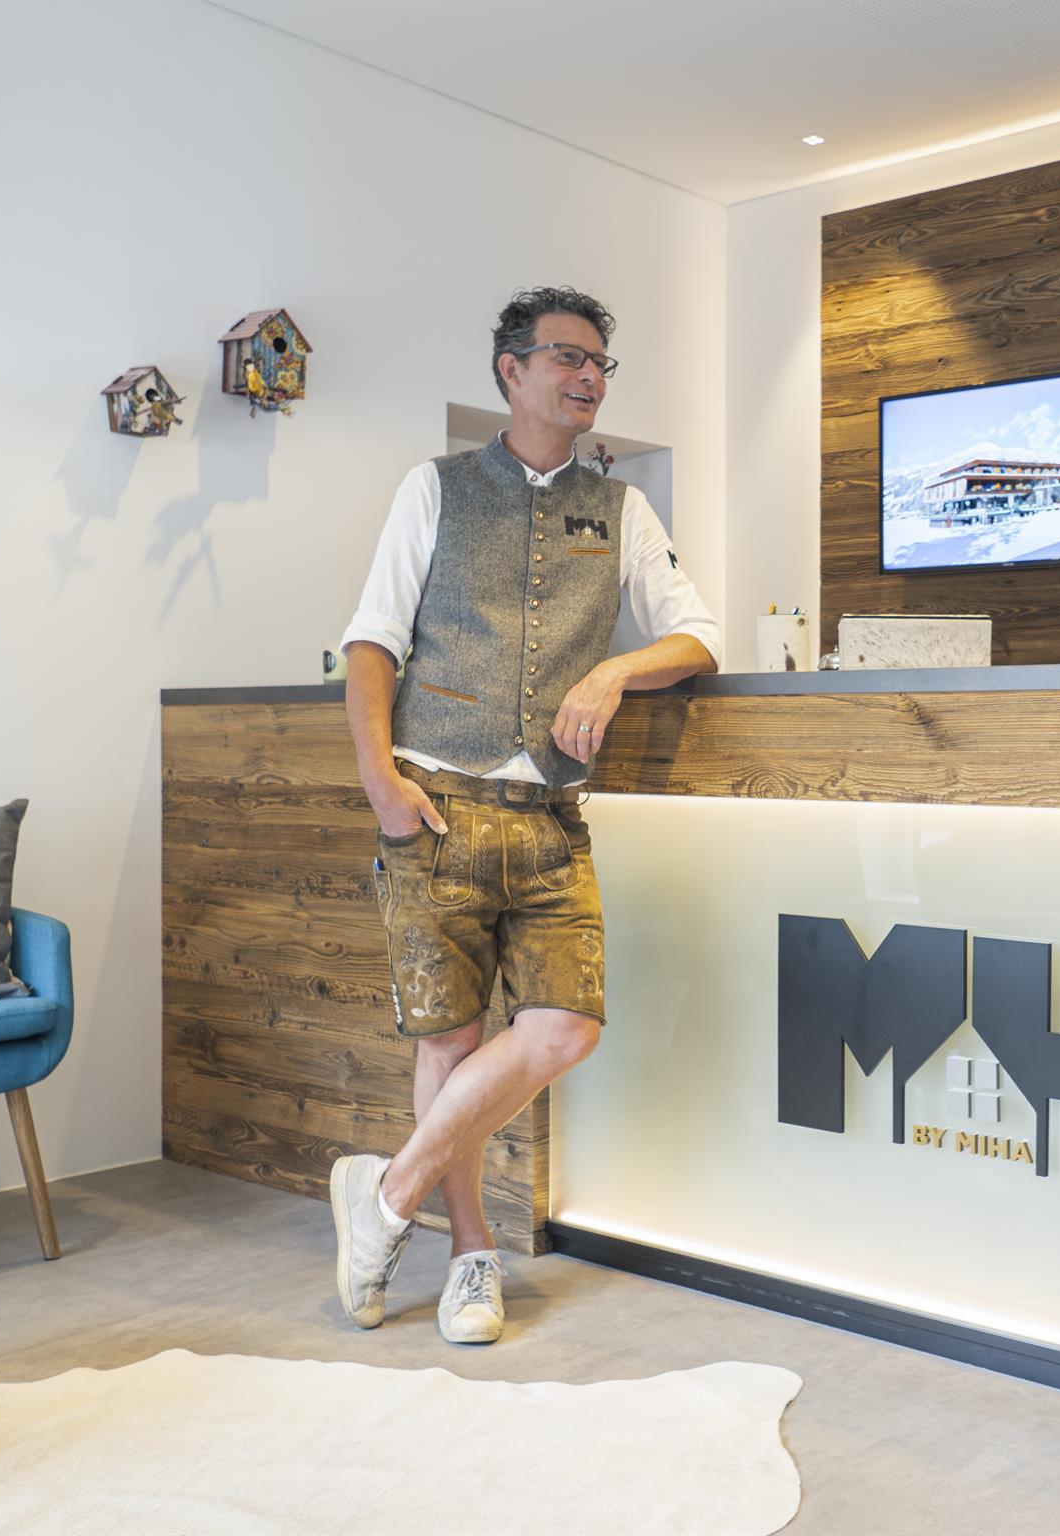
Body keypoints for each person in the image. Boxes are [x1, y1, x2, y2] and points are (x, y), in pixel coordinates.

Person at [331, 286, 720, 1344]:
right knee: (451, 1043)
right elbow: (372, 643)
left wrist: (614, 672)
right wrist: (381, 785)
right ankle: (471, 1257)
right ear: (510, 370)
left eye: (600, 363)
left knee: (564, 1029)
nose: (589, 377)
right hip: (435, 803)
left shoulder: (622, 509)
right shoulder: (435, 487)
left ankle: (382, 1196)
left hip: (552, 813)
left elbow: (697, 637)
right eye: (566, 358)